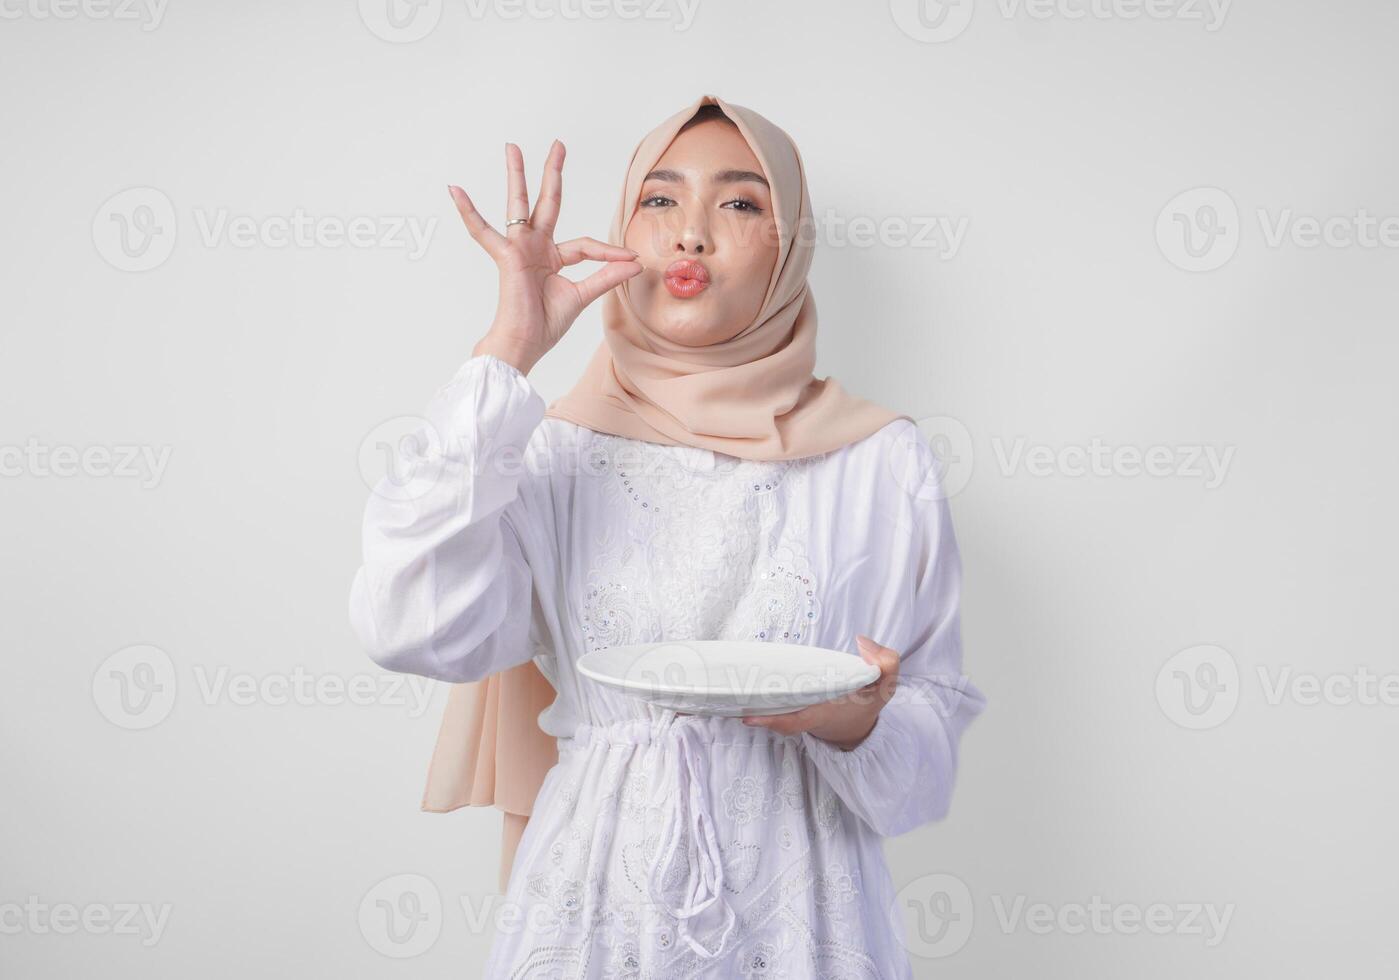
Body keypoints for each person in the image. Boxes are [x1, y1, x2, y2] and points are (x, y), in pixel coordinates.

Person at [349, 93, 986, 979]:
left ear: (791, 243)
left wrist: (856, 725)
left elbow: (932, 732)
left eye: (739, 203)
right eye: (658, 200)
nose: (691, 234)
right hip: (595, 904)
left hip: (804, 907)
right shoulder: (549, 451)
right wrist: (506, 353)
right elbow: (409, 627)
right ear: (625, 236)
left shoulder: (882, 461)